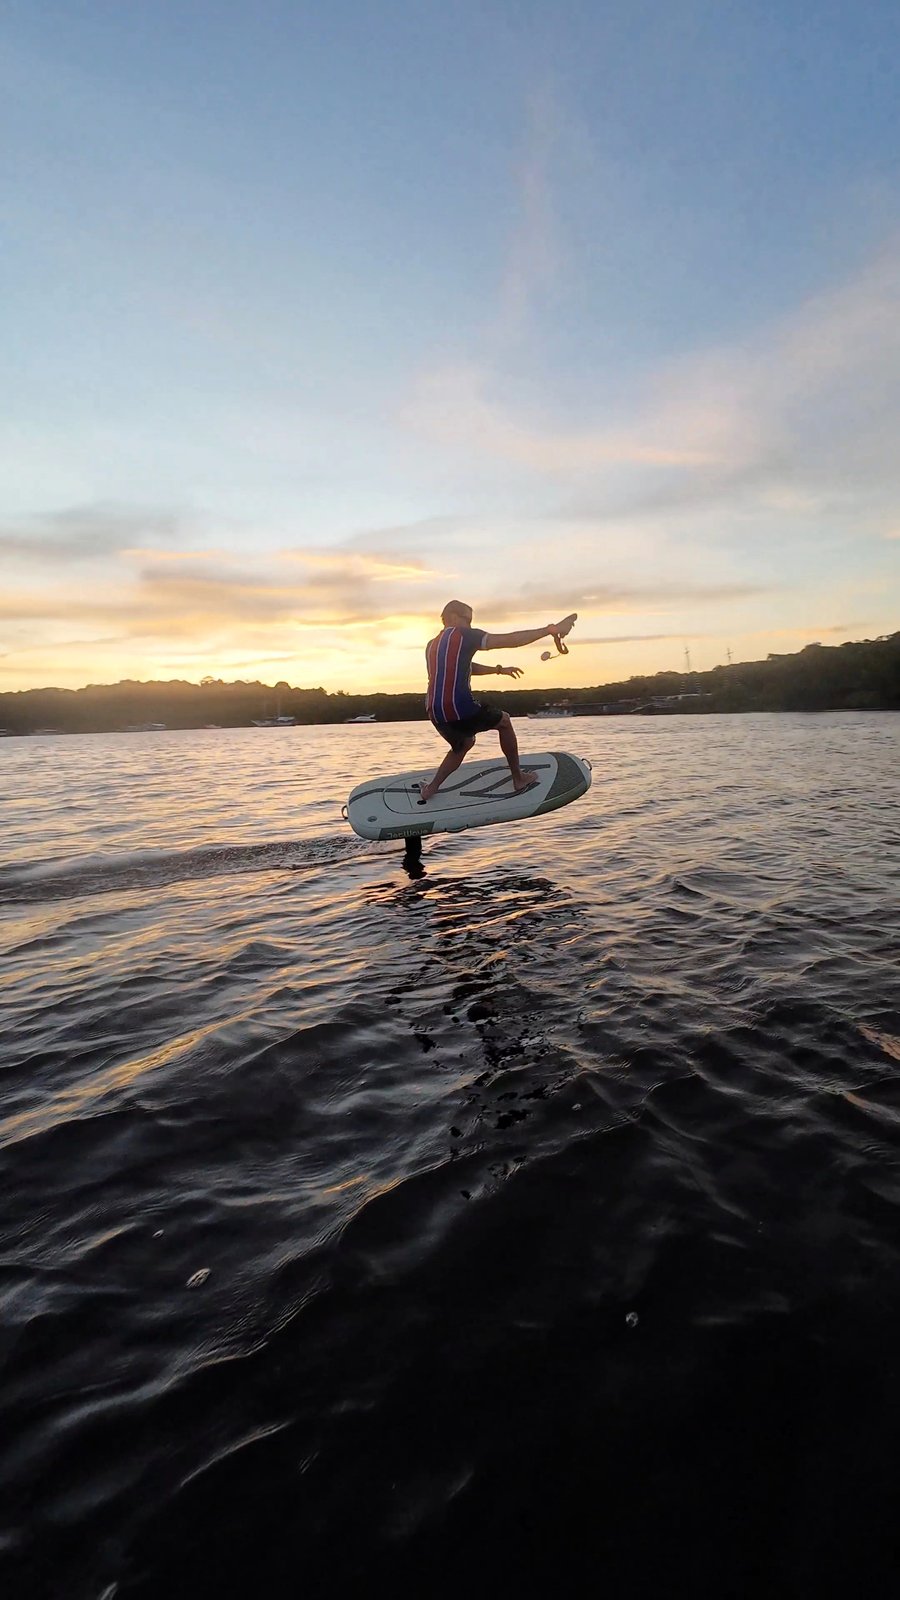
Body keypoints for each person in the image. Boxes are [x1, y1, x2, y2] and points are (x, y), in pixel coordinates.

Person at [417, 601, 577, 803]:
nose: (471, 624)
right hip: (458, 707)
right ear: (454, 617)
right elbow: (510, 640)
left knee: (464, 743)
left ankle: (430, 789)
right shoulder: (465, 635)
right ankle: (518, 779)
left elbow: (465, 666)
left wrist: (498, 670)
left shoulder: (432, 645)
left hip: (434, 710)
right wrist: (549, 630)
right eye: (468, 619)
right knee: (504, 721)